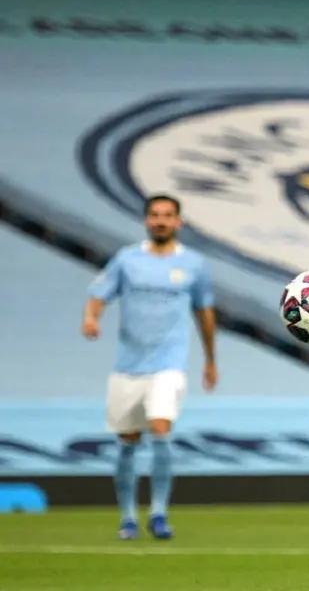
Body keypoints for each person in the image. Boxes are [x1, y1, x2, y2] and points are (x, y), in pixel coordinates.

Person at [82, 194, 217, 541]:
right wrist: (92, 318)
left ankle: (158, 513)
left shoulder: (193, 265)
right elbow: (99, 294)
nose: (161, 221)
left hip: (169, 363)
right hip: (128, 366)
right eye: (155, 215)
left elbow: (204, 312)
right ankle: (128, 517)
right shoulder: (127, 260)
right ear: (146, 220)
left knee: (160, 427)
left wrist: (210, 359)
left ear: (178, 222)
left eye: (167, 215)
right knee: (127, 441)